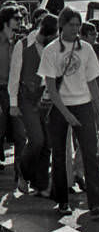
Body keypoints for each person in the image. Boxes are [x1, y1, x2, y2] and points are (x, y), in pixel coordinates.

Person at [38, 6, 99, 217]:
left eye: (78, 25)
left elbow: (93, 83)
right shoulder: (51, 50)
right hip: (59, 107)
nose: (75, 29)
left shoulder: (86, 49)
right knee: (60, 154)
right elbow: (51, 88)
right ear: (62, 25)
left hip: (83, 104)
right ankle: (62, 200)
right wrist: (66, 113)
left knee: (90, 154)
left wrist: (98, 113)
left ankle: (96, 203)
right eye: (72, 24)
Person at [8, 14, 58, 196]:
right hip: (26, 97)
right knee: (36, 140)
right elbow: (14, 76)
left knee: (47, 143)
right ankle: (23, 172)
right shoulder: (22, 46)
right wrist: (13, 103)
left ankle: (41, 183)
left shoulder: (53, 46)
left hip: (46, 97)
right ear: (43, 33)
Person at [0, 6, 28, 190]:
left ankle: (20, 176)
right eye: (16, 18)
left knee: (21, 135)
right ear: (6, 20)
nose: (20, 20)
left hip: (15, 92)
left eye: (21, 17)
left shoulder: (21, 42)